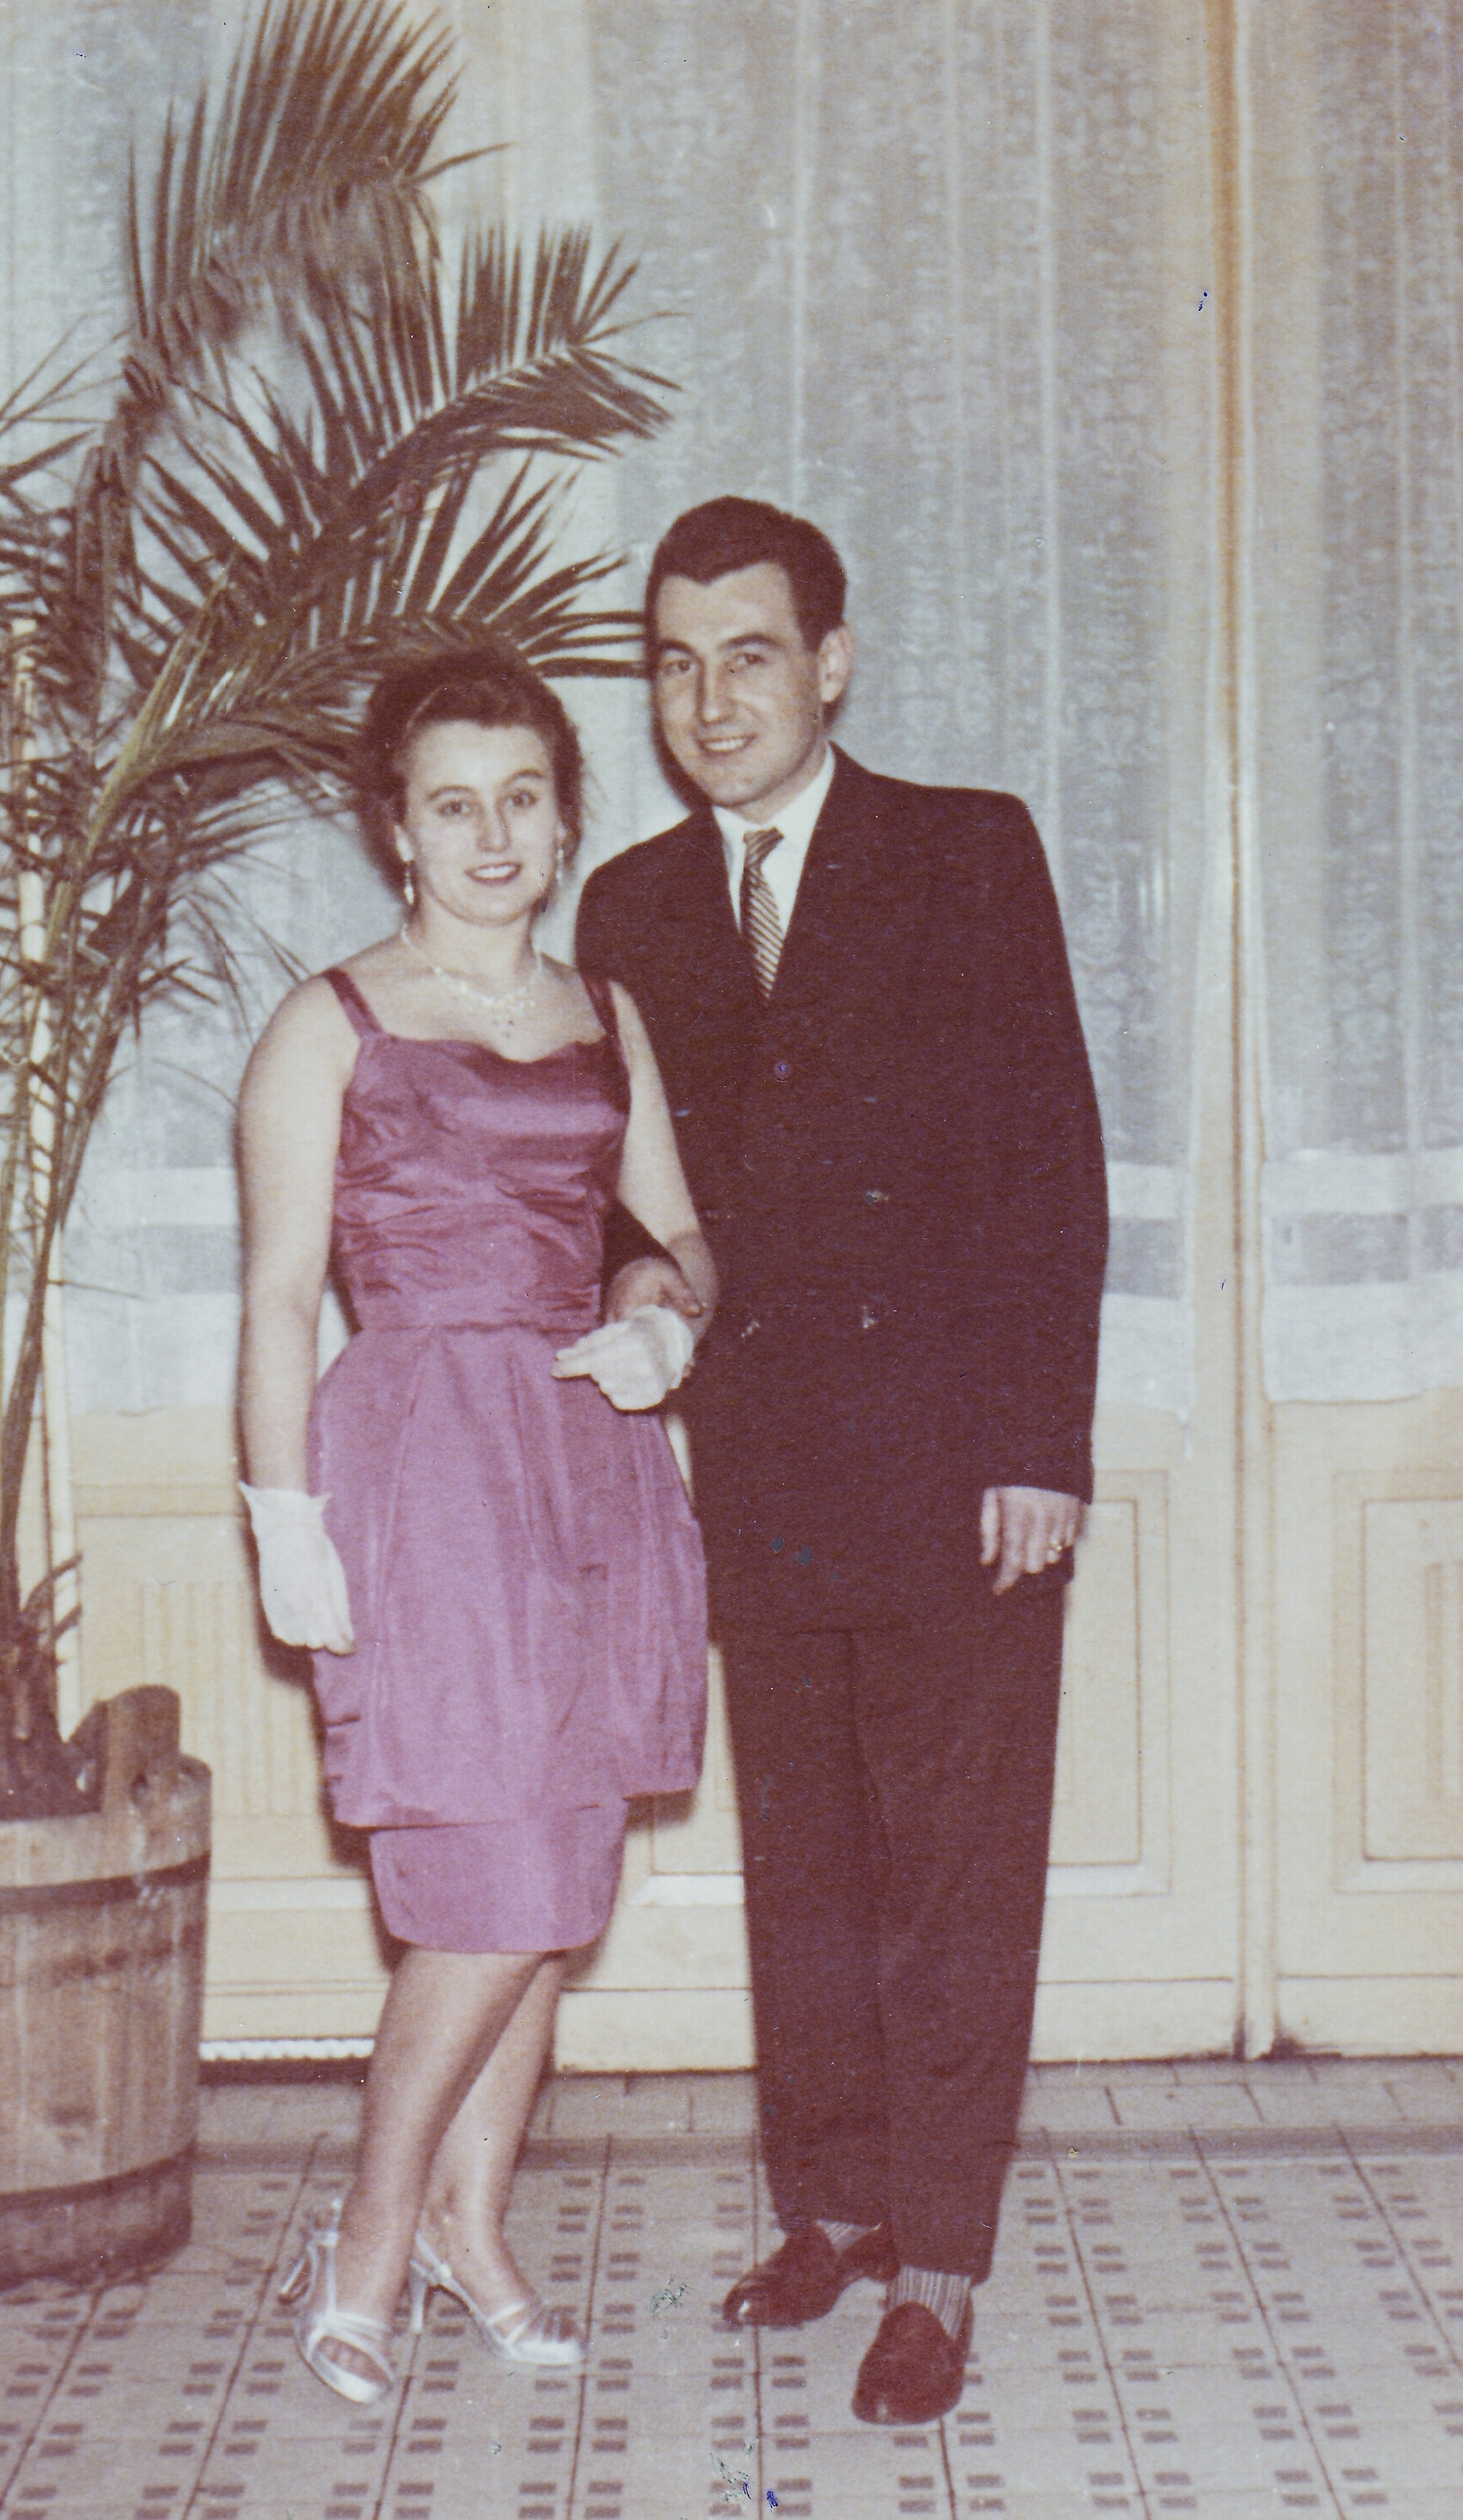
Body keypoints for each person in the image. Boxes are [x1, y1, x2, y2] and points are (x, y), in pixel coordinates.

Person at [576, 497, 1109, 2425]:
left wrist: (1040, 1444)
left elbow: (1049, 1160)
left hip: (959, 1464)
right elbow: (620, 1190)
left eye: (746, 654)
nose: (706, 700)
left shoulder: (964, 851)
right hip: (759, 1465)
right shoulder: (630, 906)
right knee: (804, 1862)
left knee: (951, 1875)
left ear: (829, 662)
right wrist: (634, 1280)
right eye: (671, 661)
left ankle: (937, 2266)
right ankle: (831, 2208)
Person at [236, 647, 715, 2405]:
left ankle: (472, 2225)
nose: (492, 834)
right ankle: (373, 2234)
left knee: (559, 1864)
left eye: (523, 798)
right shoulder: (330, 1024)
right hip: (425, 1456)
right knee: (492, 1875)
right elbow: (279, 1296)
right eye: (454, 804)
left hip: (589, 1446)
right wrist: (282, 1510)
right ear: (398, 830)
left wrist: (663, 1315)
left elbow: (675, 1234)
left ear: (565, 817)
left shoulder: (608, 1014)